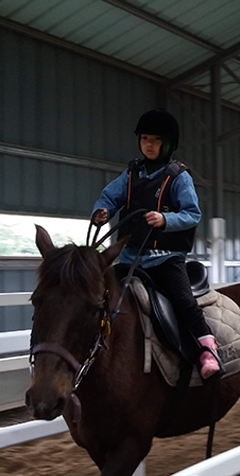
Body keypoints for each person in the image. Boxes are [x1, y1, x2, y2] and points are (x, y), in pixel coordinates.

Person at [92, 108, 220, 379]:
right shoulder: (131, 174)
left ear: (169, 144)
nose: (149, 145)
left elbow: (192, 213)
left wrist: (165, 219)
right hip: (129, 257)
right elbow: (109, 197)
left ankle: (207, 348)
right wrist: (101, 211)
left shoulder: (178, 177)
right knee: (100, 294)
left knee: (183, 301)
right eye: (145, 138)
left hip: (165, 257)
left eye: (156, 140)